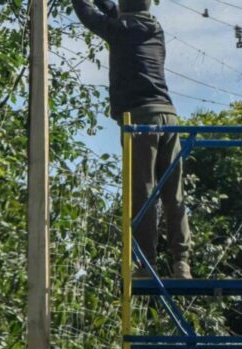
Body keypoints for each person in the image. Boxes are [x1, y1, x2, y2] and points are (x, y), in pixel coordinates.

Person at [71, 0, 191, 278]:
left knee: (143, 192)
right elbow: (114, 12)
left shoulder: (119, 30)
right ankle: (181, 261)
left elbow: (88, 15)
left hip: (141, 121)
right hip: (169, 118)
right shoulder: (155, 29)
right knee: (174, 194)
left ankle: (145, 263)